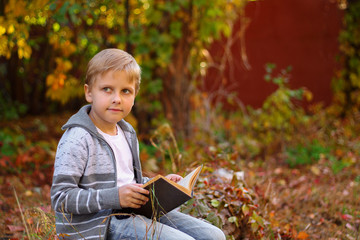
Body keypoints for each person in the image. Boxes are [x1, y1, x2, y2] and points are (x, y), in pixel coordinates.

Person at [50, 48, 226, 240]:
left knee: (213, 235)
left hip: (135, 213)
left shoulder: (127, 132)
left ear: (134, 97)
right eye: (107, 89)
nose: (117, 99)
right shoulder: (77, 138)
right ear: (89, 92)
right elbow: (61, 198)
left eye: (126, 91)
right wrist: (115, 196)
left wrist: (159, 186)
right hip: (99, 226)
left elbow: (127, 183)